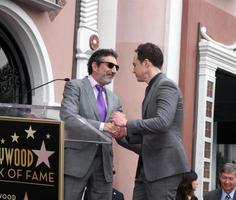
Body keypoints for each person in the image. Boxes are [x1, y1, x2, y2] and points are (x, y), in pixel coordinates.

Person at [111, 42, 190, 199]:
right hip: (148, 168)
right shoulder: (152, 88)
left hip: (164, 167)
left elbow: (162, 122)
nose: (133, 70)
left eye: (135, 64)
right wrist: (122, 135)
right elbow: (149, 135)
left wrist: (127, 123)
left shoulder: (166, 86)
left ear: (146, 63)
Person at [60, 49, 122, 200]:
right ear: (95, 66)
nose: (114, 71)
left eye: (116, 67)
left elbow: (118, 126)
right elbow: (69, 118)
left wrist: (122, 129)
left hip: (104, 165)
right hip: (76, 162)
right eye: (110, 65)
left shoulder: (114, 99)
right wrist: (103, 126)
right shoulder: (75, 87)